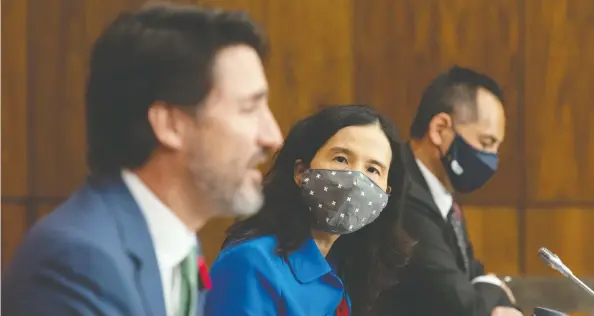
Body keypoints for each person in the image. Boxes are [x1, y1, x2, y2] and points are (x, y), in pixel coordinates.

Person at [2, 3, 282, 316]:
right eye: (248, 109)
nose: (272, 137)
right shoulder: (78, 261)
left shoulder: (176, 245)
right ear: (170, 124)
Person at [204, 104, 413, 316]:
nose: (357, 180)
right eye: (341, 159)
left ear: (386, 193)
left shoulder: (343, 266)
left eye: (373, 169)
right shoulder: (252, 263)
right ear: (302, 172)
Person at [372, 66, 521, 316]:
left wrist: (492, 293)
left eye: (497, 147)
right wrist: (496, 289)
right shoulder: (401, 194)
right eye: (486, 142)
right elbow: (462, 306)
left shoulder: (440, 197)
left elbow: (471, 273)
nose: (493, 158)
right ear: (440, 130)